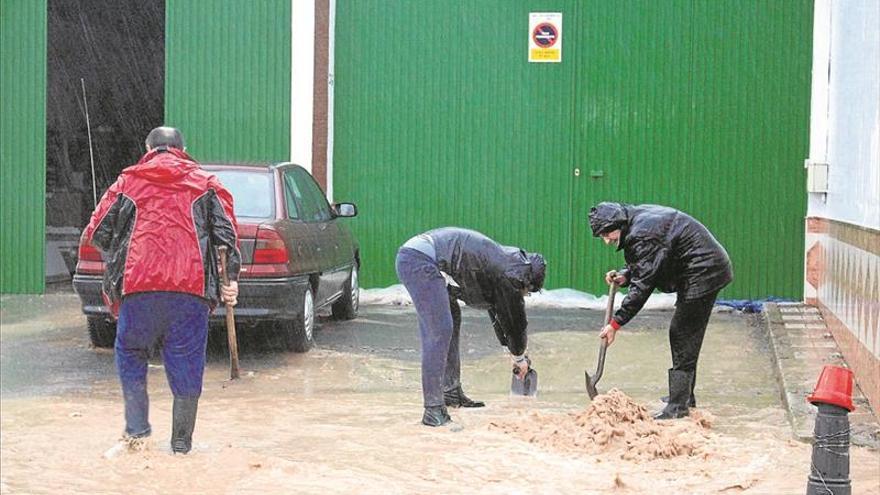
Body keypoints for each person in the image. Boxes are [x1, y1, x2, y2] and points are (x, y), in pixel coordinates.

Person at [82, 127, 241, 453]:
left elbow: (97, 231)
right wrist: (232, 279)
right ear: (184, 148)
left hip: (138, 288)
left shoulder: (127, 183)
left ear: (148, 148)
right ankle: (181, 447)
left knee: (131, 353)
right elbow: (226, 235)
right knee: (187, 364)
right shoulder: (207, 184)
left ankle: (137, 434)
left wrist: (124, 247)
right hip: (190, 291)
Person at [588, 202, 733, 420]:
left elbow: (643, 285)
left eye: (607, 233)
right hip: (699, 269)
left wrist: (615, 323)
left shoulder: (642, 234)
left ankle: (678, 406)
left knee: (683, 332)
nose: (607, 240)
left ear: (618, 223)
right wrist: (626, 276)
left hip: (704, 271)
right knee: (686, 333)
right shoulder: (636, 222)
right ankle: (684, 396)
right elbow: (651, 261)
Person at [395, 227, 546, 427]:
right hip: (420, 260)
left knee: (451, 318)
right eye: (529, 291)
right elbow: (514, 322)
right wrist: (519, 357)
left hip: (428, 260)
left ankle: (450, 392)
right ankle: (433, 411)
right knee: (439, 330)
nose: (526, 295)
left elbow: (499, 312)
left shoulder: (504, 266)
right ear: (527, 281)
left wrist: (510, 350)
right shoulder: (508, 278)